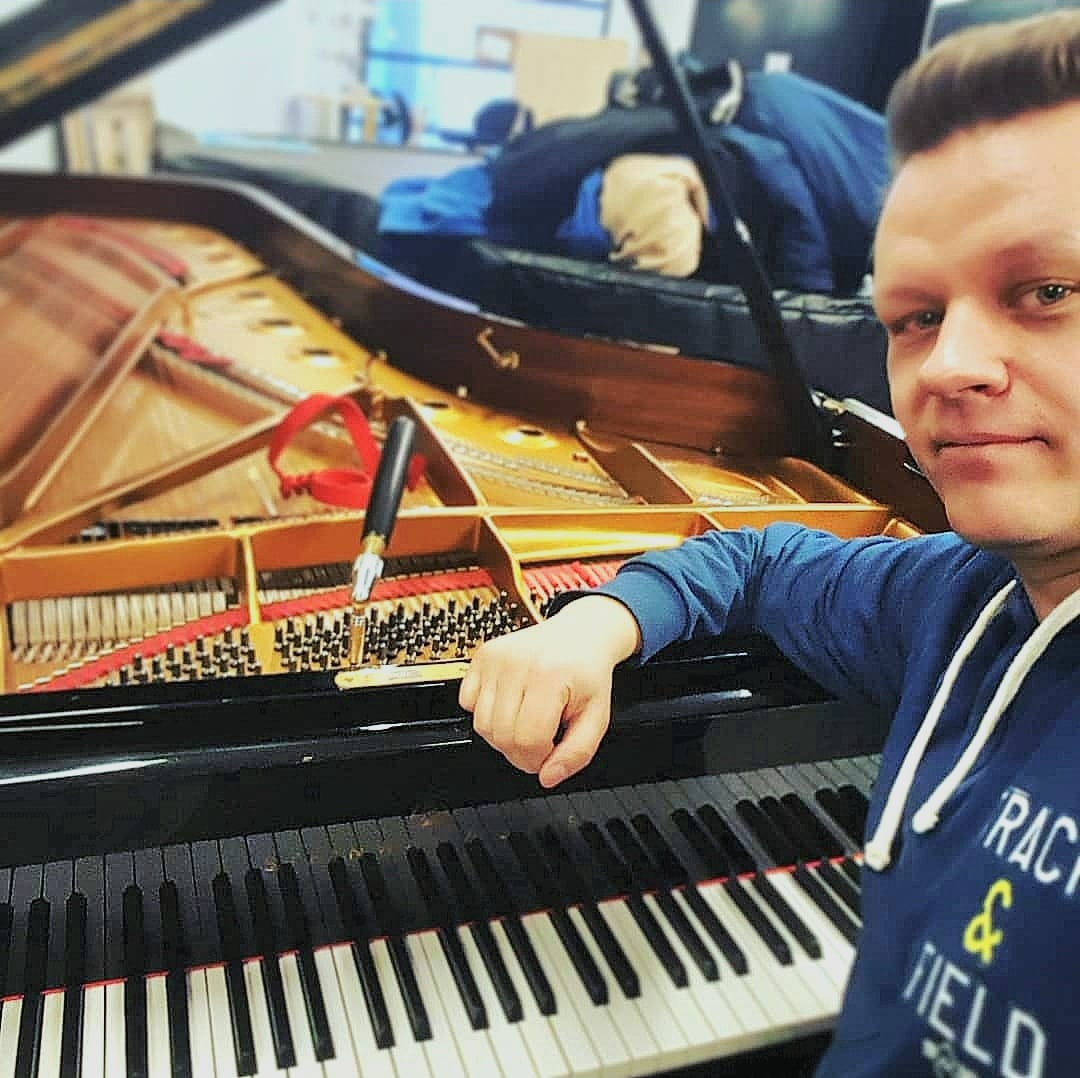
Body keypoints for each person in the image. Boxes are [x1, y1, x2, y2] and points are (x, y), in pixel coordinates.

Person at [459, 11, 1080, 1076]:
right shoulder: (965, 596)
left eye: (1048, 291)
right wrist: (597, 621)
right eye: (914, 316)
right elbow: (764, 559)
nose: (947, 365)